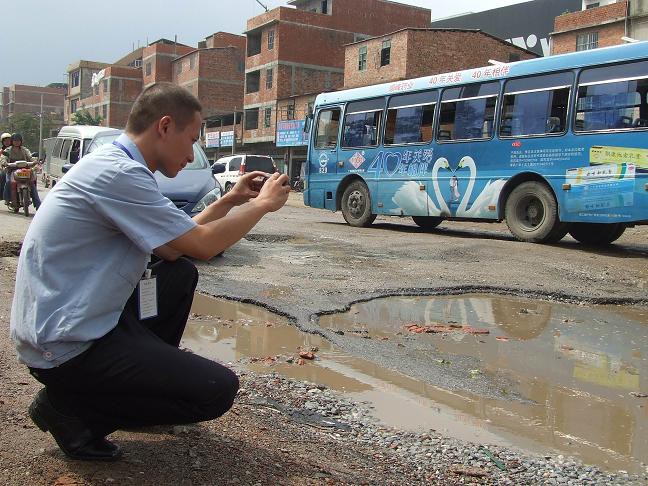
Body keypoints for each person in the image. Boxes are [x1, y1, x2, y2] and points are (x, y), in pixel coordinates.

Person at [10, 82, 291, 461]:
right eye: (191, 139)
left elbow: (177, 242)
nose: (192, 153)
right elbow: (205, 245)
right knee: (216, 390)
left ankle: (126, 392)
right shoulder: (117, 173)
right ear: (164, 127)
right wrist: (262, 207)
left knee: (177, 274)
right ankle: (70, 411)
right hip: (64, 344)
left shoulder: (119, 165)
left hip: (81, 321)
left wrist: (232, 199)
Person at [1, 133, 41, 209]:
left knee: (32, 184)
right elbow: (4, 157)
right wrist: (4, 162)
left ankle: (38, 205)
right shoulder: (8, 150)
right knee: (8, 182)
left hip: (25, 171)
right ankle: (7, 198)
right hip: (11, 170)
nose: (17, 142)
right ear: (12, 141)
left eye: (18, 141)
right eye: (15, 140)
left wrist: (35, 160)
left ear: (21, 141)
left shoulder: (24, 149)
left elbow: (30, 156)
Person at [0, 132, 12, 200]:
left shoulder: (15, 148)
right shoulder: (1, 151)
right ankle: (2, 195)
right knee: (2, 175)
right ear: (3, 142)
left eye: (9, 141)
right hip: (4, 168)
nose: (7, 142)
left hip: (15, 168)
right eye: (5, 141)